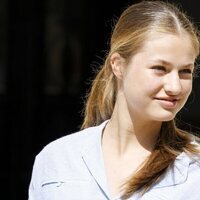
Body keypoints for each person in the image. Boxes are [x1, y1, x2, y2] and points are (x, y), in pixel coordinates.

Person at [28, 1, 200, 199]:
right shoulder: (58, 159)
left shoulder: (194, 168)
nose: (175, 86)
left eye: (185, 71)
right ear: (118, 65)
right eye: (159, 68)